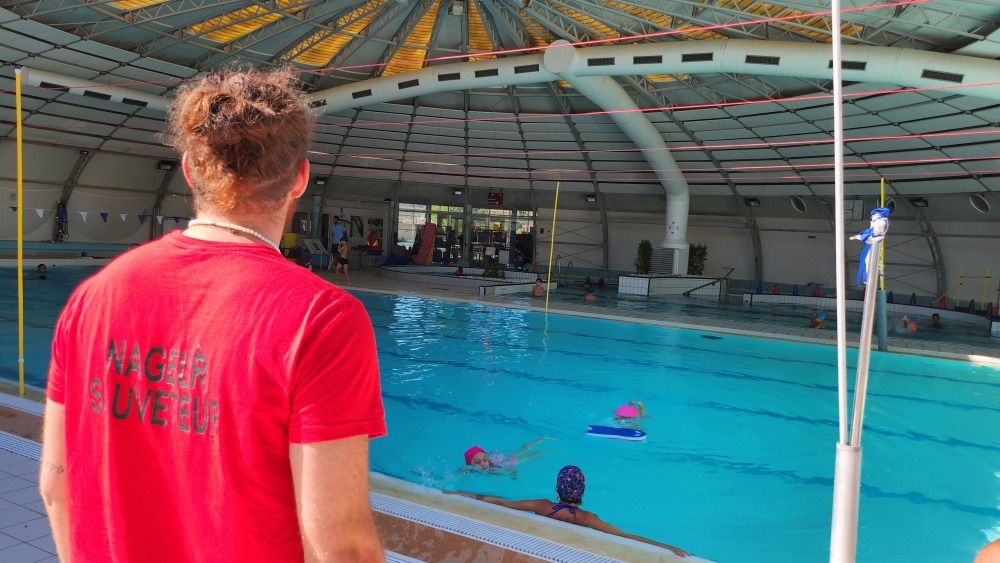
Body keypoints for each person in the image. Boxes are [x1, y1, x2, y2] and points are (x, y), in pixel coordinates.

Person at [40, 68, 386, 563]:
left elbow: (57, 487)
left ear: (188, 169)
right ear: (301, 179)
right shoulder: (322, 319)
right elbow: (339, 546)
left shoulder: (92, 298)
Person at [451, 465, 689, 557]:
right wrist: (669, 547)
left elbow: (502, 502)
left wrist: (462, 495)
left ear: (557, 489)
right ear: (582, 491)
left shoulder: (542, 505)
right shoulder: (588, 518)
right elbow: (624, 536)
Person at [462, 437, 549, 476]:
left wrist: (514, 476)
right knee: (521, 450)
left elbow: (511, 471)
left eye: (484, 460)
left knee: (531, 454)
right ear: (470, 464)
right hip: (499, 459)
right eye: (477, 462)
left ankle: (540, 441)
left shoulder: (493, 470)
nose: (483, 464)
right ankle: (534, 443)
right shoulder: (469, 469)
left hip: (507, 462)